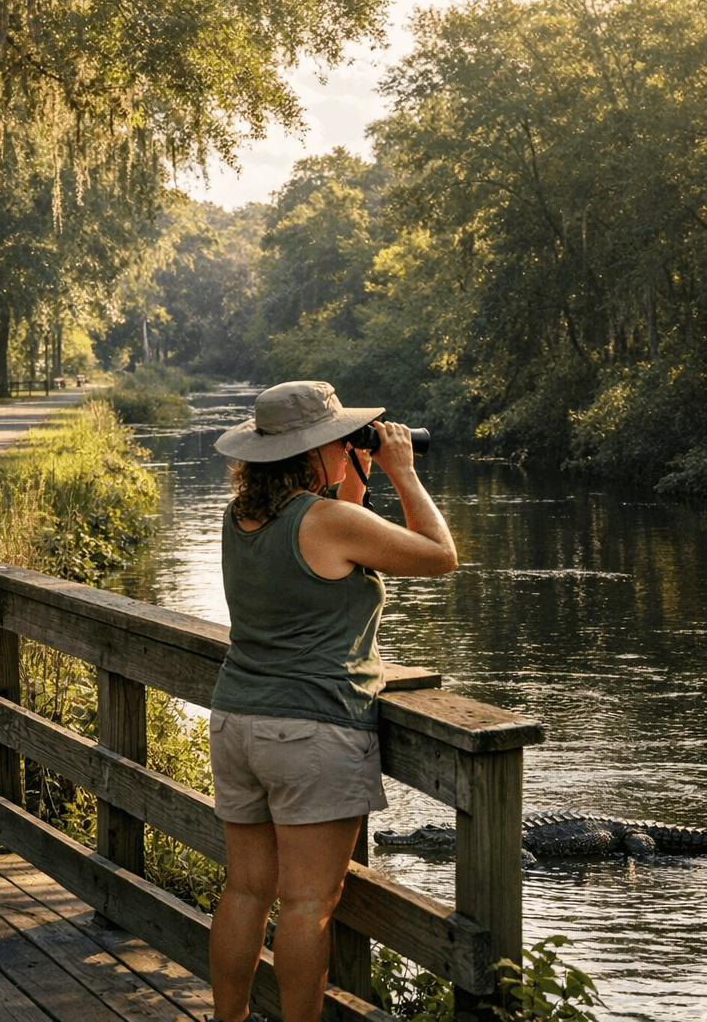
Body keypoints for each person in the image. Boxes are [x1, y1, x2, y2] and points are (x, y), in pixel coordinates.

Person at [206, 381, 458, 1022]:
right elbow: (440, 557)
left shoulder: (242, 517)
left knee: (245, 890)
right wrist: (403, 475)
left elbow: (328, 555)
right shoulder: (327, 521)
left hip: (239, 721)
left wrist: (353, 477)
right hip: (313, 732)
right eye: (339, 441)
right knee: (307, 904)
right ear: (314, 450)